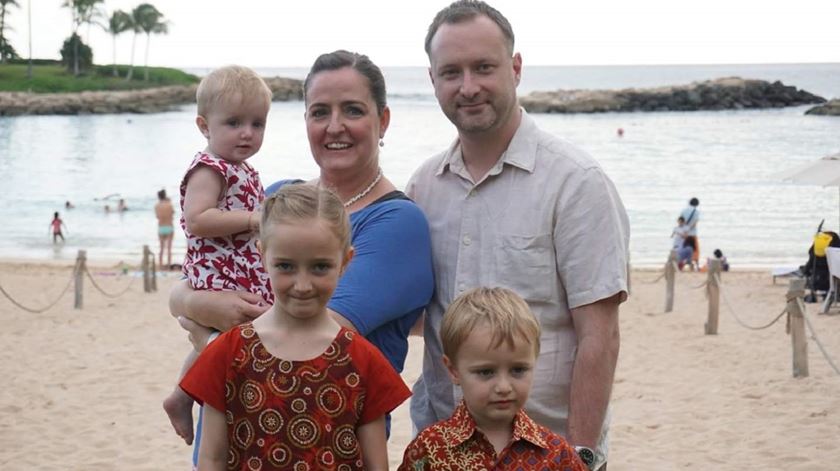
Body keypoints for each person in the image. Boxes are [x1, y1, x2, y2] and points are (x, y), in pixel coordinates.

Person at [168, 51, 434, 463]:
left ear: (382, 121)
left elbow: (298, 337)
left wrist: (208, 342)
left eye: (353, 110)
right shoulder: (276, 197)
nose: (334, 126)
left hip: (327, 446)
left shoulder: (397, 223)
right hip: (234, 441)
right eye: (319, 112)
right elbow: (195, 279)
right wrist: (194, 302)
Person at [406, 2, 629, 470]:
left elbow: (600, 336)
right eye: (451, 72)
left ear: (516, 67)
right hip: (443, 451)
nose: (468, 87)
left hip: (548, 454)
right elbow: (417, 318)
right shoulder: (423, 187)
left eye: (483, 67)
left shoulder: (576, 182)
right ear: (433, 81)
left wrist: (582, 457)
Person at [180, 184, 411, 470]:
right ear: (263, 256)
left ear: (345, 262)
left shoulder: (364, 361)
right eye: (286, 266)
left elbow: (376, 465)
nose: (303, 285)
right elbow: (212, 459)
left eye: (320, 267)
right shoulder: (228, 353)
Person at [162, 65, 275, 447]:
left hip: (241, 268)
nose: (247, 133)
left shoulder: (244, 168)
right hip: (217, 269)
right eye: (234, 122)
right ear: (204, 126)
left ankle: (184, 395)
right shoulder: (209, 168)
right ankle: (183, 396)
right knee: (226, 336)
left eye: (257, 123)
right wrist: (253, 219)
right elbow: (196, 220)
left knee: (222, 337)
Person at [398, 287, 585, 470]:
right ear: (453, 370)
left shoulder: (557, 456)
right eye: (486, 372)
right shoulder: (430, 449)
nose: (503, 387)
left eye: (518, 370)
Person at [154, 189, 175, 269]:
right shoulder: (169, 204)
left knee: (161, 248)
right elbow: (172, 213)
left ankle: (161, 266)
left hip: (161, 227)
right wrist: (169, 201)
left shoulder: (157, 206)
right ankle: (169, 267)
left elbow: (157, 216)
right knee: (169, 249)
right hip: (169, 226)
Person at [680, 197, 700, 264]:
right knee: (695, 250)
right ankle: (695, 265)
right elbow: (695, 223)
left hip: (684, 234)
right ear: (697, 204)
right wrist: (689, 229)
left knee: (683, 249)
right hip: (692, 234)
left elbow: (681, 221)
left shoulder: (683, 210)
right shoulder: (696, 212)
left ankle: (681, 263)